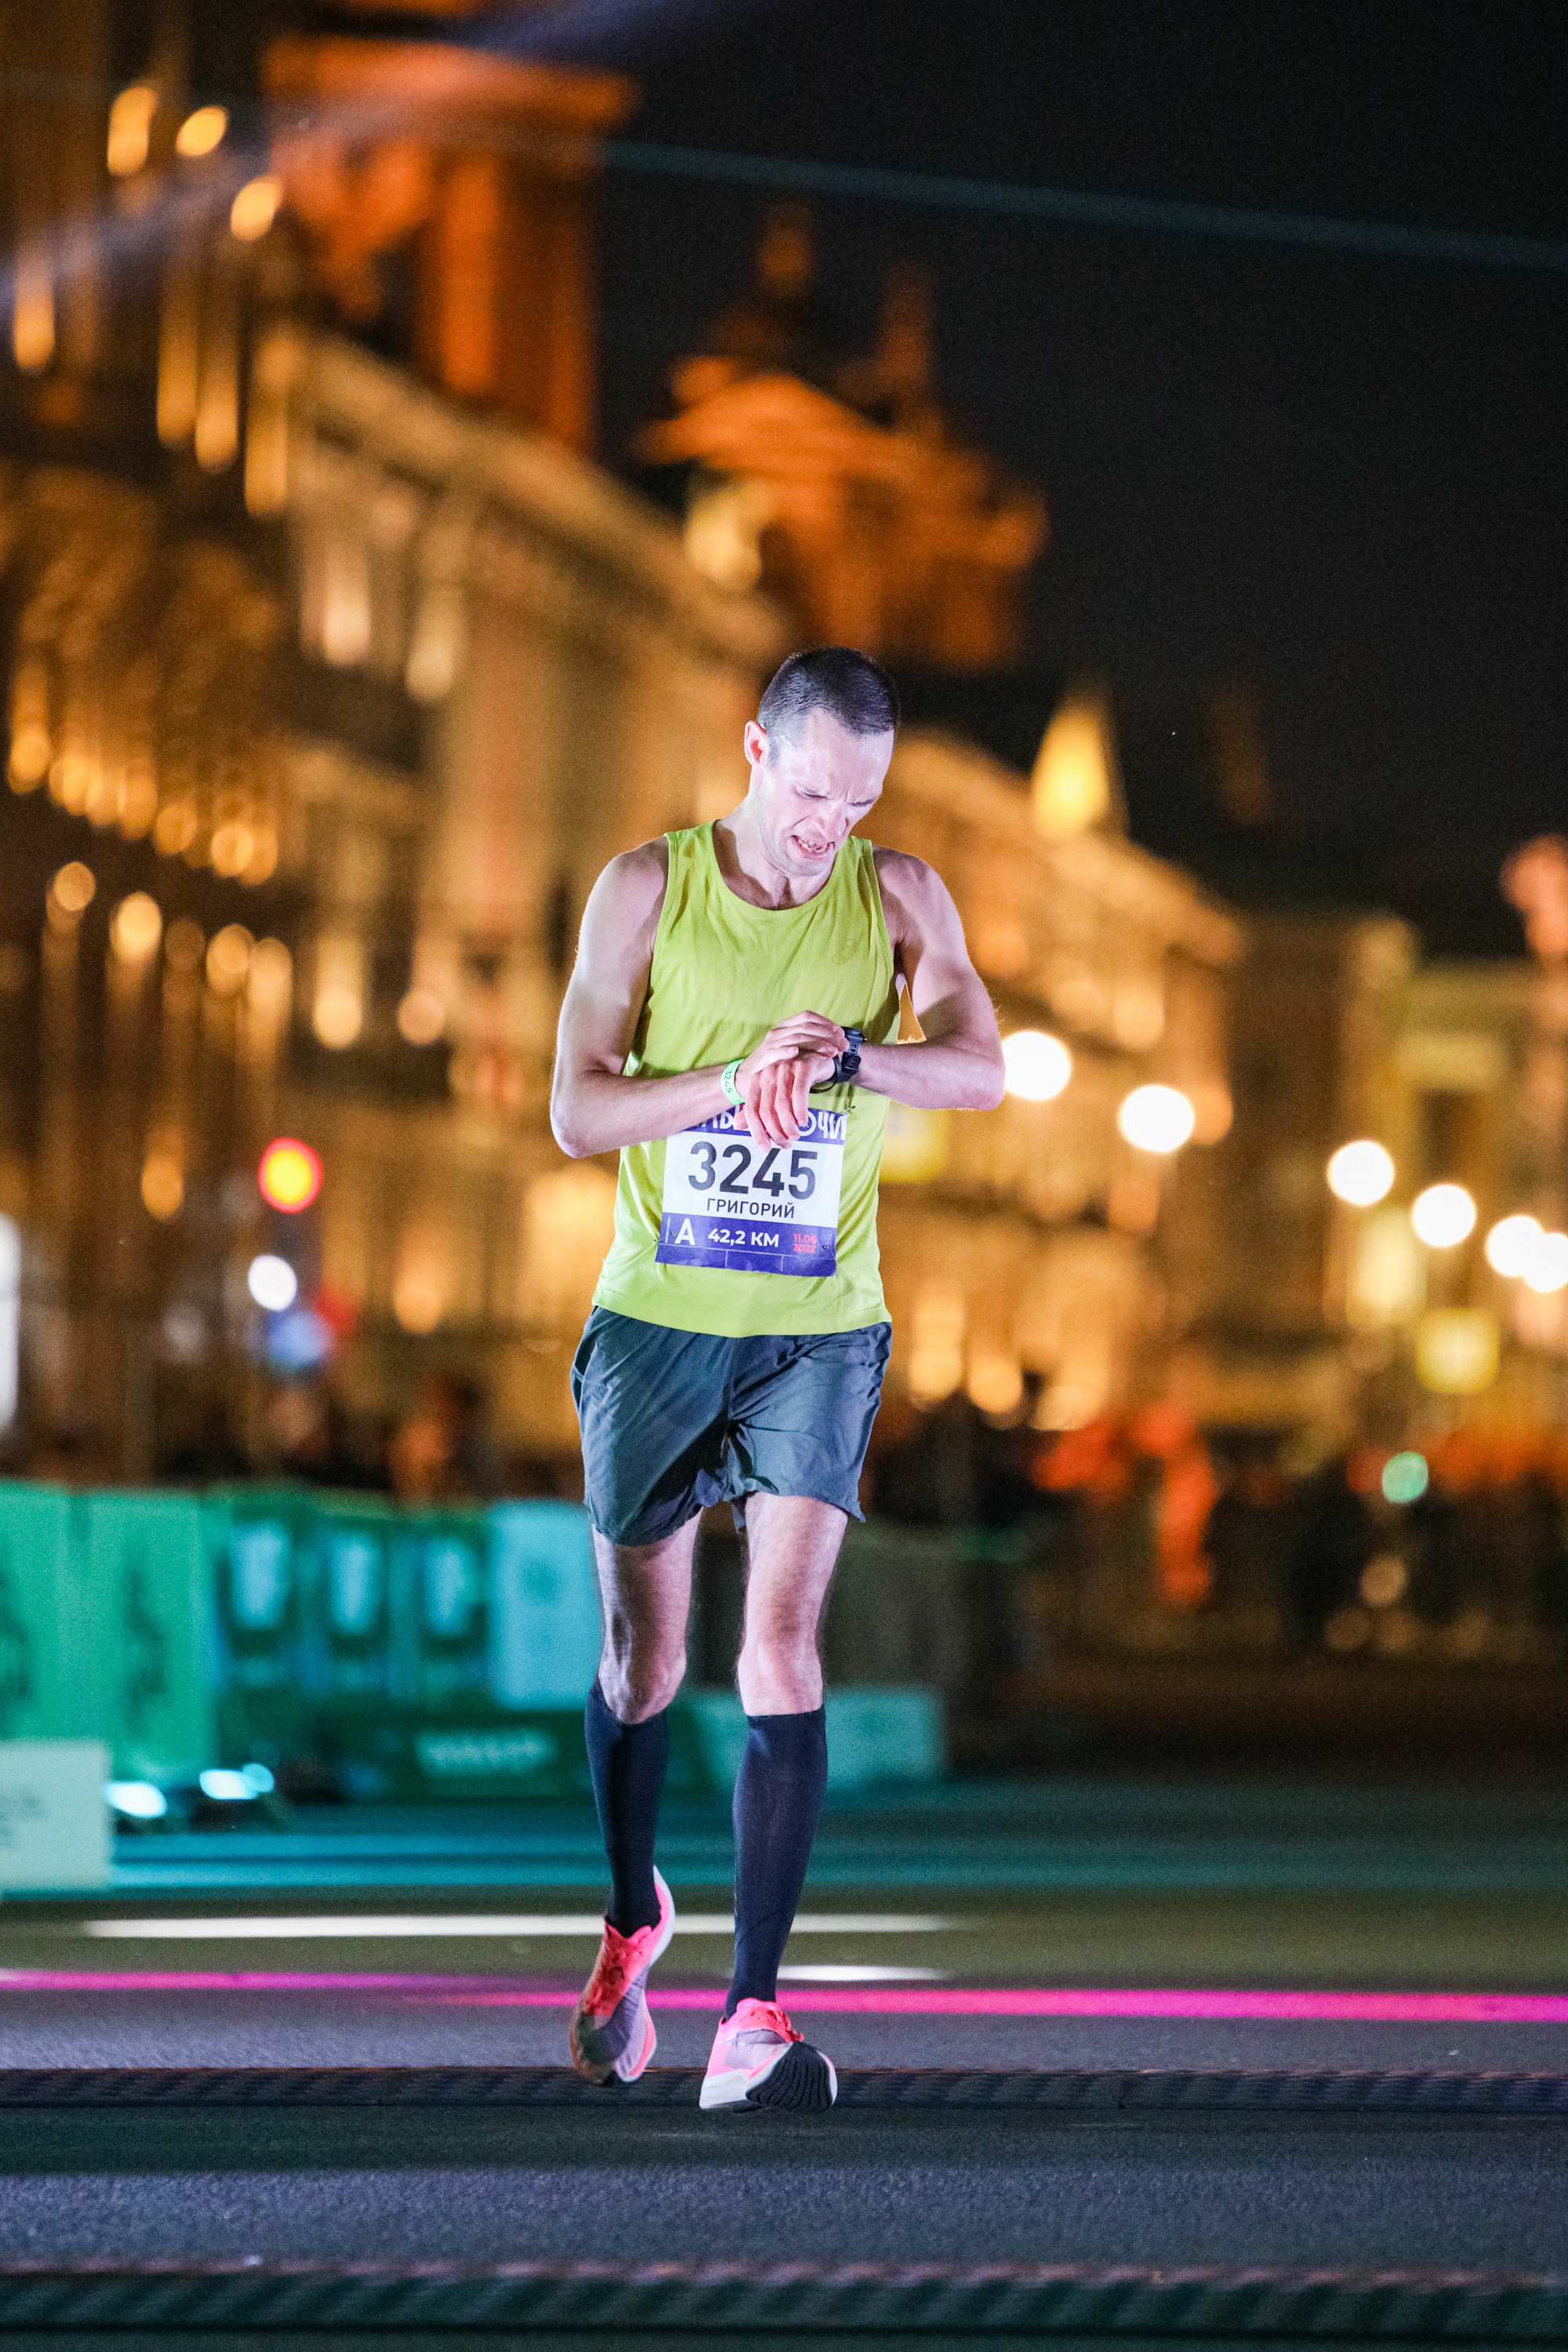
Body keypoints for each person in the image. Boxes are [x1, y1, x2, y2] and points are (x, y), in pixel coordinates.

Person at [550, 645, 1004, 2111]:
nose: (830, 832)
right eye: (812, 797)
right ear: (754, 751)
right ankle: (633, 1914)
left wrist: (855, 1061)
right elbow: (573, 1109)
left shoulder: (898, 896)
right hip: (660, 1321)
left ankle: (752, 2009)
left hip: (822, 1325)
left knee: (783, 1646)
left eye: (857, 805)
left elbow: (985, 1069)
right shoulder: (645, 888)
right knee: (646, 1664)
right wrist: (736, 1075)